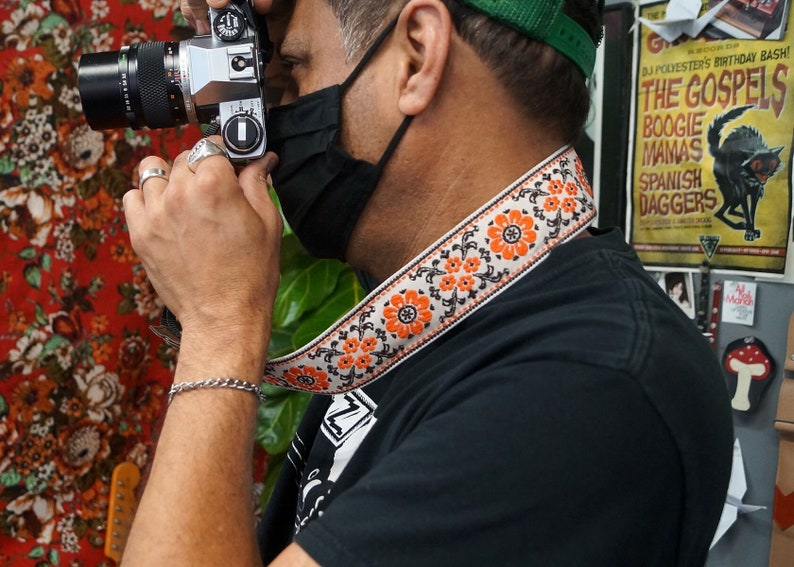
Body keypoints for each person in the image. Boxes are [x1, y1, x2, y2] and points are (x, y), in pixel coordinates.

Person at [120, 0, 734, 565]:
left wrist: (220, 325)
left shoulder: (587, 388)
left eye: (297, 70)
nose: (277, 123)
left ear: (416, 55)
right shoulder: (441, 307)